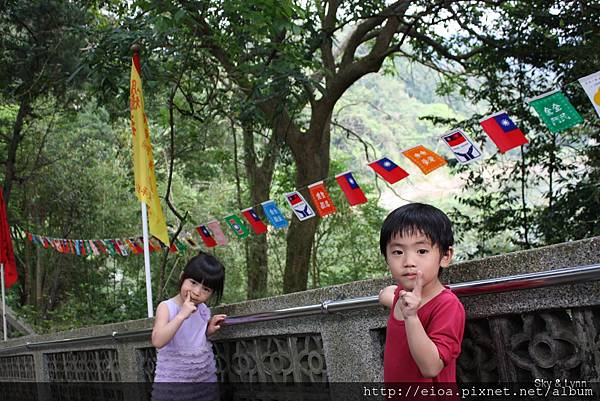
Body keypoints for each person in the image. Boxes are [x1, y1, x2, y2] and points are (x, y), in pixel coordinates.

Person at [378, 203, 465, 386]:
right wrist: (388, 296)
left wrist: (412, 317)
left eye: (422, 251)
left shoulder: (447, 305)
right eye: (398, 252)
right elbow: (386, 293)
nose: (409, 261)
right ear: (386, 257)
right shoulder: (400, 296)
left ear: (445, 256)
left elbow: (431, 367)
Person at [151, 251, 227, 383]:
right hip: (174, 378)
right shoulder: (166, 307)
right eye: (193, 282)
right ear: (182, 277)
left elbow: (195, 338)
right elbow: (157, 341)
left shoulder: (202, 309)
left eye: (206, 289)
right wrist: (181, 315)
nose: (197, 292)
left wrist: (209, 330)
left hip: (203, 376)